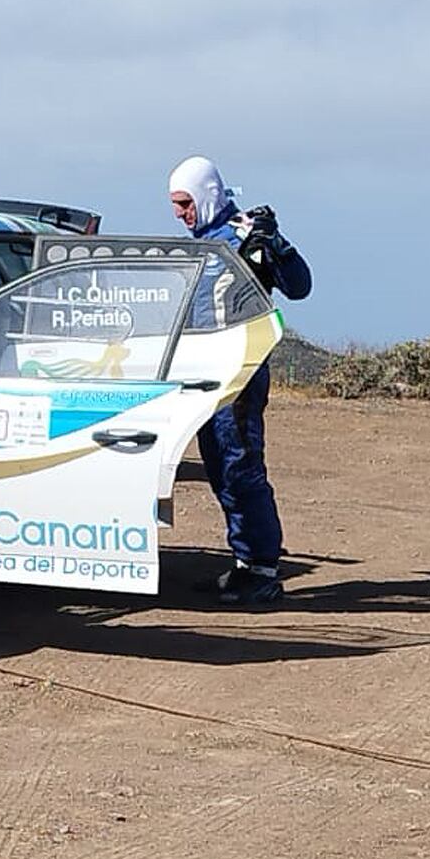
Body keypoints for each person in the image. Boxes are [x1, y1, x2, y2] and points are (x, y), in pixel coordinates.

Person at [169, 155, 312, 604]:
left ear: (206, 195)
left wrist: (277, 244)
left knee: (241, 468)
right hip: (203, 380)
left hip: (241, 379)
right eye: (176, 205)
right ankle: (245, 564)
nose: (180, 213)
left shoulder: (247, 235)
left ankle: (263, 571)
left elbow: (300, 286)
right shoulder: (202, 246)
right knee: (220, 470)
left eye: (185, 203)